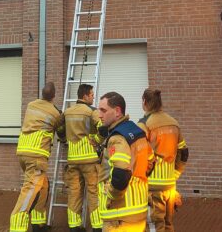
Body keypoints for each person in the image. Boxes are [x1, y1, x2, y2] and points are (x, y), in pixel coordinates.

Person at [10, 82, 64, 232]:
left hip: (23, 151)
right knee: (30, 189)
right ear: (54, 95)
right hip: (37, 155)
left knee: (43, 185)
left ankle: (38, 223)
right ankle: (17, 225)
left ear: (42, 93)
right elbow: (61, 132)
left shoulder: (31, 105)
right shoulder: (55, 113)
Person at [96, 92, 153, 232]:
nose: (99, 115)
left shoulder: (117, 138)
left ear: (117, 111)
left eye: (103, 110)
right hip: (138, 209)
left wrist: (111, 196)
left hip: (119, 216)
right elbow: (151, 162)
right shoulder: (137, 131)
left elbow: (121, 173)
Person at [139, 89, 189, 232]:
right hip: (169, 185)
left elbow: (139, 155)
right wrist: (175, 174)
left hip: (152, 186)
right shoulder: (174, 123)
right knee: (168, 225)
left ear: (144, 102)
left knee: (155, 225)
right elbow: (184, 152)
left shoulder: (144, 124)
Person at [60, 84, 103, 232]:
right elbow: (103, 128)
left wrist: (64, 139)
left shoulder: (67, 112)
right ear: (85, 96)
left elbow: (59, 129)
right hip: (90, 159)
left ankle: (74, 226)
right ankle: (97, 226)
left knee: (74, 193)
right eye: (91, 94)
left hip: (73, 159)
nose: (93, 97)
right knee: (93, 192)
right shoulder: (92, 111)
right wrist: (97, 140)